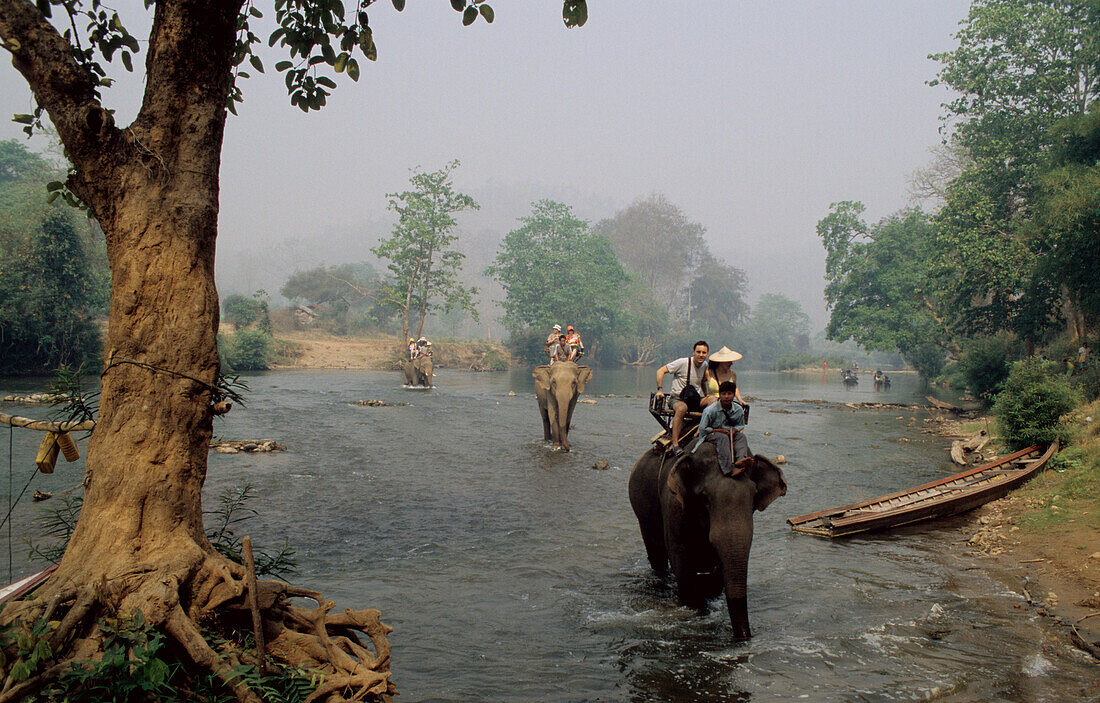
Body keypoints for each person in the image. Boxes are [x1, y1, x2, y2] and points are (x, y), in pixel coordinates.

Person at [655, 340, 709, 453]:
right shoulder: (682, 362)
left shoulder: (705, 365)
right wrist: (660, 390)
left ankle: (701, 430)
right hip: (677, 399)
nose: (701, 355)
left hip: (694, 400)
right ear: (693, 352)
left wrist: (707, 395)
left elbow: (703, 381)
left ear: (707, 354)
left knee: (714, 400)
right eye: (698, 352)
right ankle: (675, 444)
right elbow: (661, 371)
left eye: (704, 353)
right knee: (682, 408)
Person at [691, 381, 752, 475]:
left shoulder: (738, 409)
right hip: (711, 434)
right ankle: (728, 469)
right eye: (724, 394)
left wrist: (735, 430)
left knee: (741, 436)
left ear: (734, 395)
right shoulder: (710, 410)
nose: (726, 397)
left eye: (729, 394)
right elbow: (703, 429)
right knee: (722, 438)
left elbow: (740, 425)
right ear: (720, 395)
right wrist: (720, 431)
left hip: (729, 432)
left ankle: (741, 461)